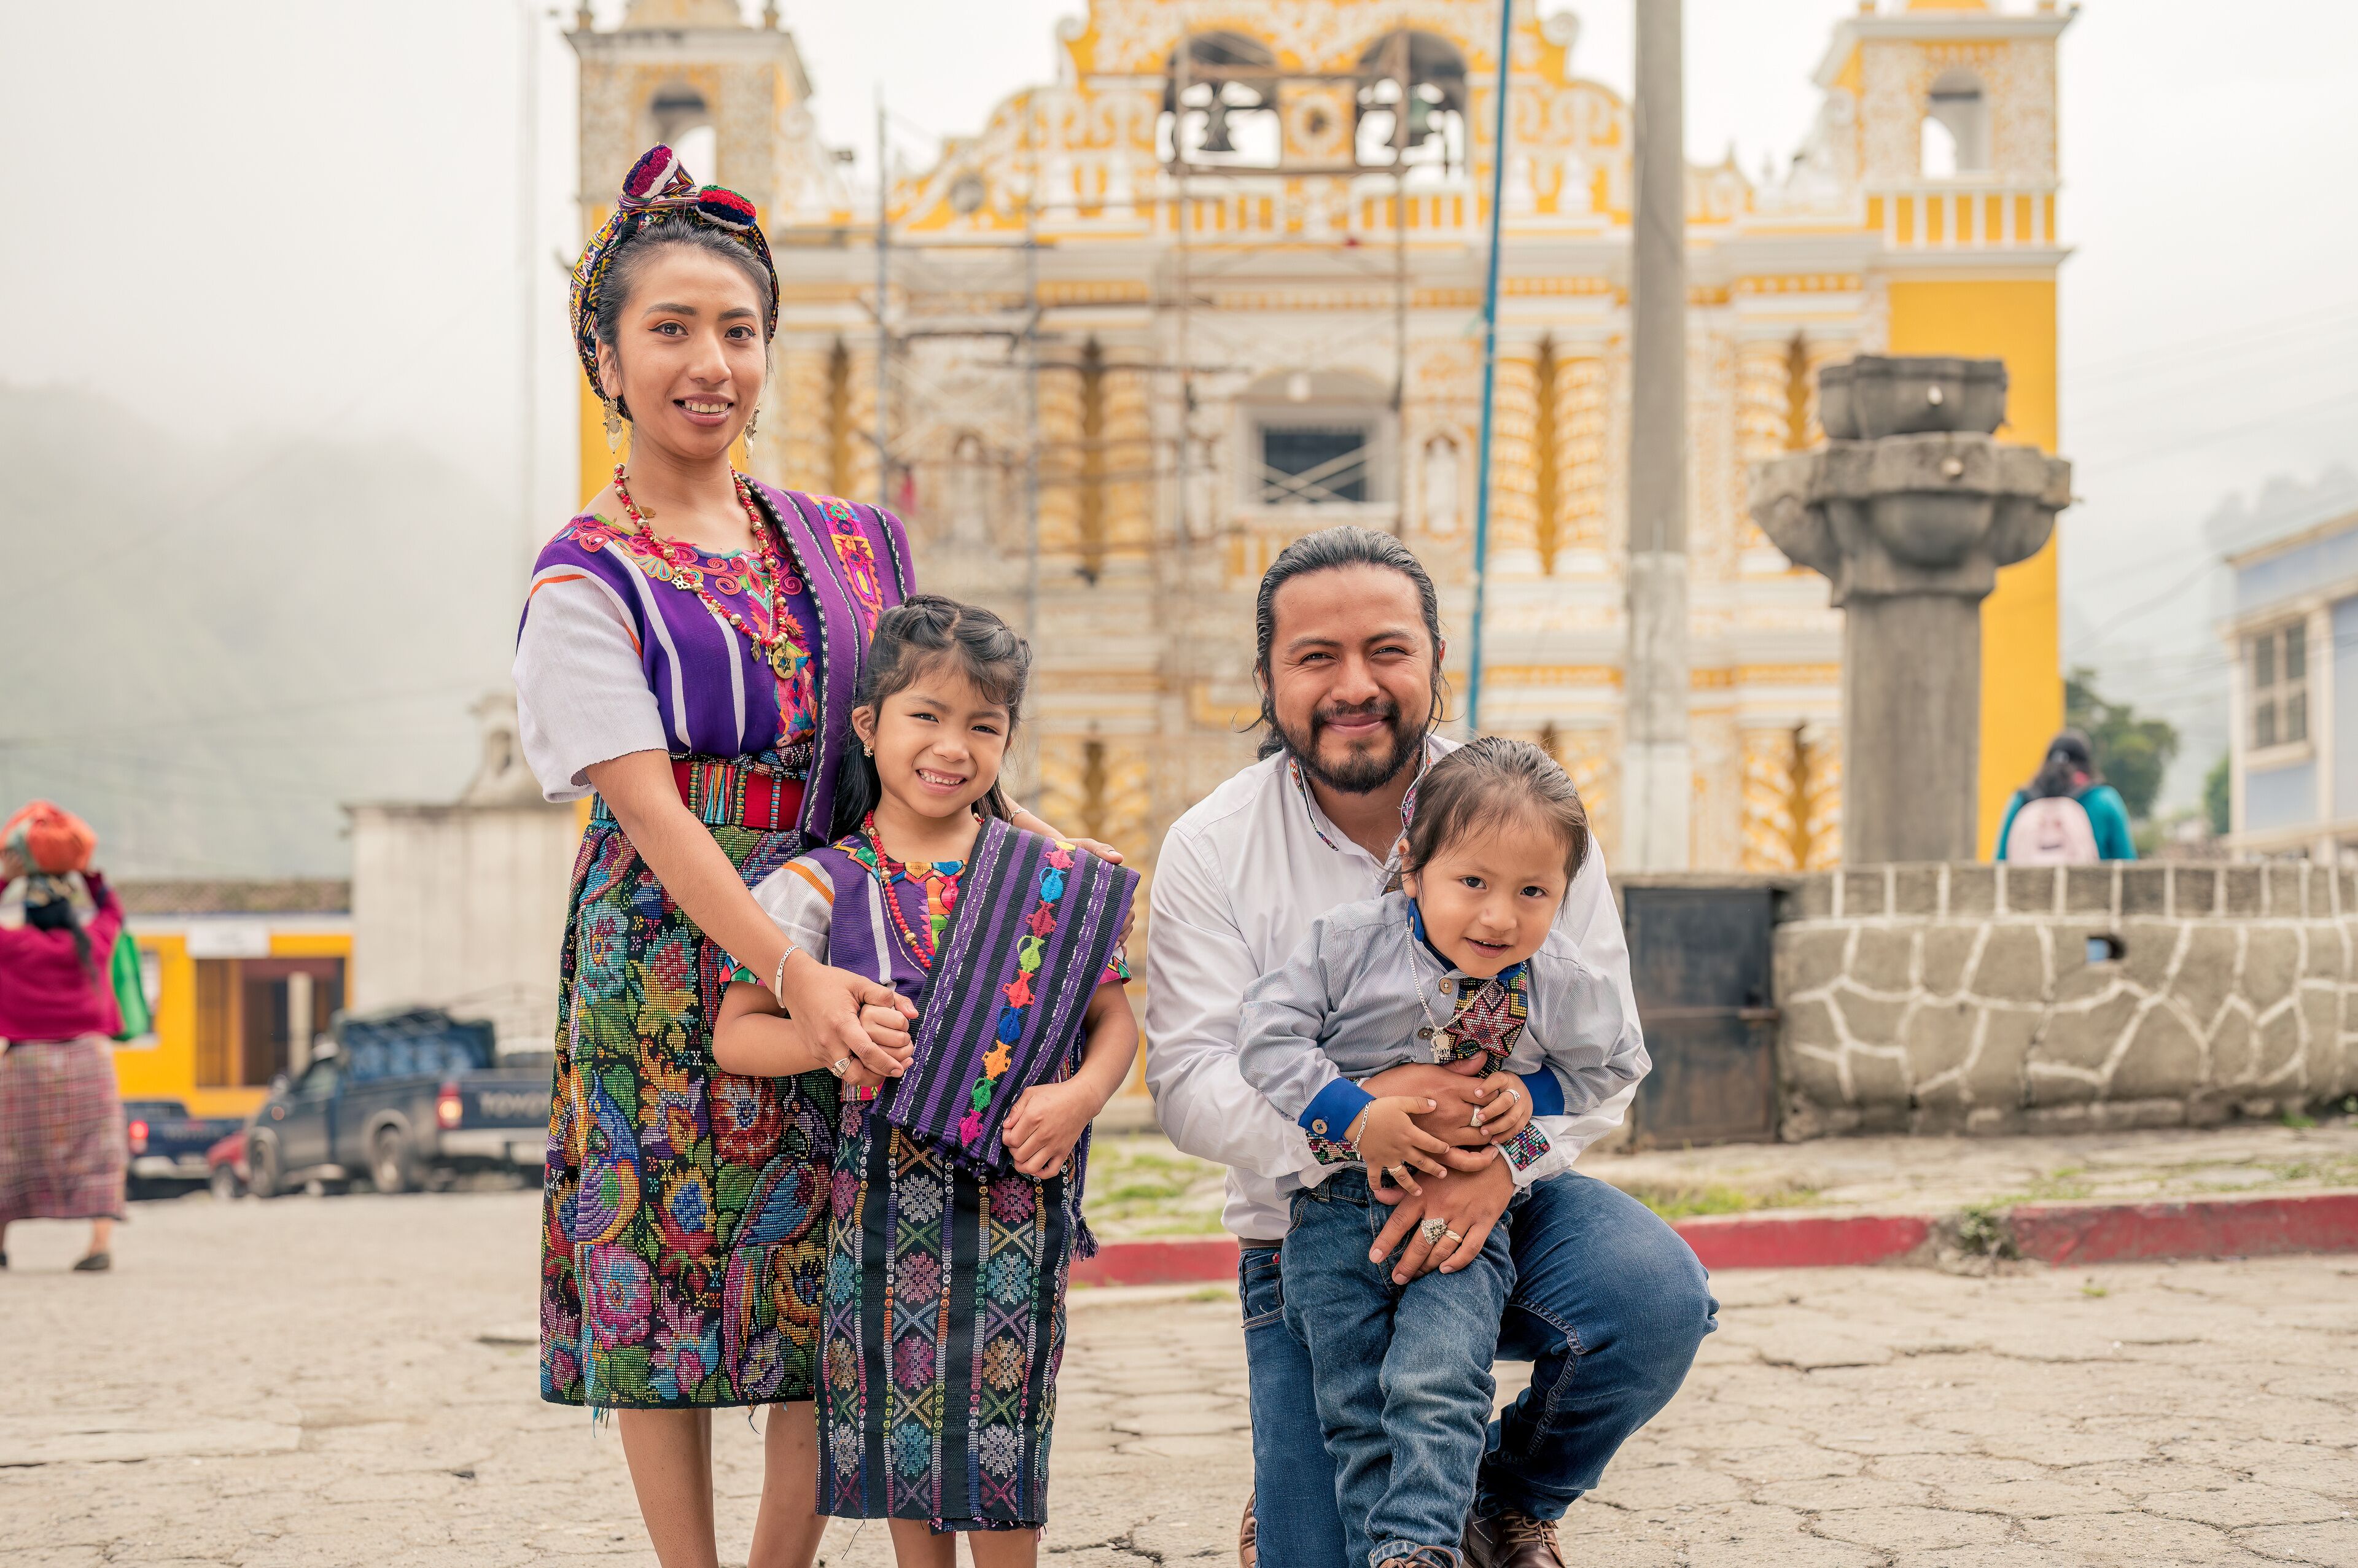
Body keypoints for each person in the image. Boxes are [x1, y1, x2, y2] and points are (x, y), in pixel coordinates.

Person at [520, 145, 1113, 1568]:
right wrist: (792, 974)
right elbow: (653, 813)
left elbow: (925, 731)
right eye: (670, 328)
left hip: (863, 928)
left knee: (829, 1276)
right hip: (669, 958)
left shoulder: (857, 543)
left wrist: (1043, 855)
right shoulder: (583, 574)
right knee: (663, 1283)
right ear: (605, 358)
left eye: (738, 330)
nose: (708, 363)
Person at [1146, 526, 1716, 1568]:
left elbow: (1604, 1057)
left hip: (1507, 1209)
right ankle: (1321, 1487)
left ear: (1437, 660)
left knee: (1653, 1296)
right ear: (1268, 677)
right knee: (1338, 1544)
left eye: (1388, 650)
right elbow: (1190, 1081)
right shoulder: (1213, 846)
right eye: (1316, 656)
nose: (1354, 685)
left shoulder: (1534, 816)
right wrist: (1364, 1121)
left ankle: (1504, 1494)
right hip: (1312, 1235)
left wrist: (1502, 1162)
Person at [712, 596, 1140, 1563]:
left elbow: (1116, 1022)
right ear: (869, 725)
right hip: (881, 1207)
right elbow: (737, 1033)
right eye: (926, 715)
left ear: (1007, 740)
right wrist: (831, 1040)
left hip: (1018, 1200)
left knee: (1005, 1421)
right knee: (908, 1429)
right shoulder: (821, 884)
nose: (953, 746)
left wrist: (1078, 1099)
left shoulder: (1047, 875)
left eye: (984, 725)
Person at [1236, 739, 1649, 1568]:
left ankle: (1421, 1546)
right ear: (1413, 865)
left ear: (1564, 892)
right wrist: (1356, 1116)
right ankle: (1383, 1546)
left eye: (1533, 892)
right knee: (1354, 1401)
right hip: (1333, 1216)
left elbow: (1615, 1064)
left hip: (1468, 1223)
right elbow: (1266, 1037)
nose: (1499, 918)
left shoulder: (1557, 980)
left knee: (1441, 1384)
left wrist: (1532, 1096)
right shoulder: (1347, 944)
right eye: (1473, 883)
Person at [0, 802, 127, 1273]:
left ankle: (1, 1242)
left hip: (26, 1065)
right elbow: (113, 912)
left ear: (31, 914)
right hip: (88, 1061)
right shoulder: (93, 943)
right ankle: (99, 1244)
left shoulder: (14, 946)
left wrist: (6, 878)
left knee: (11, 1154)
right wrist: (89, 875)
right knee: (100, 1152)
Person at [1995, 729, 2136, 864]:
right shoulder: (2104, 799)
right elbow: (2127, 861)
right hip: (2089, 881)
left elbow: (2001, 860)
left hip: (2027, 881)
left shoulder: (2021, 800)